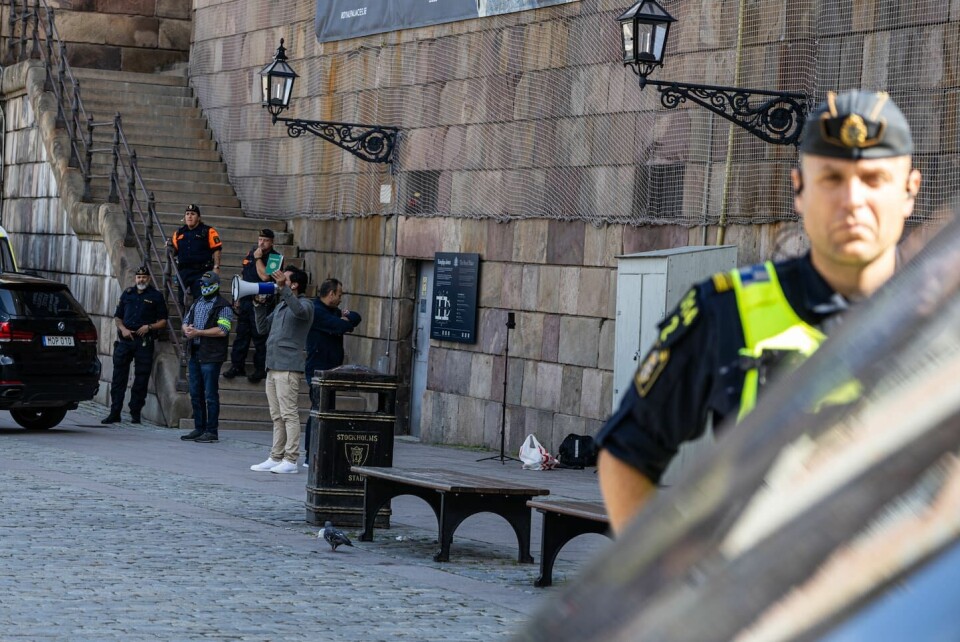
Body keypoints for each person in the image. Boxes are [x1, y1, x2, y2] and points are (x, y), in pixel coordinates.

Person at [596, 90, 922, 535]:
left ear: (909, 191)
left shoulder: (944, 312)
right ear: (799, 191)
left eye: (873, 178)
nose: (852, 199)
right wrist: (660, 587)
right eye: (831, 178)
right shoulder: (726, 311)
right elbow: (626, 452)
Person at [250, 267, 315, 474]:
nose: (278, 281)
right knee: (276, 415)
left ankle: (291, 458)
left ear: (294, 284)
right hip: (273, 365)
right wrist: (258, 305)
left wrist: (283, 289)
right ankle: (276, 456)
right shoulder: (281, 306)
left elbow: (300, 312)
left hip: (288, 367)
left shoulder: (305, 304)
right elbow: (262, 328)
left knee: (289, 414)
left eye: (284, 279)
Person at [303, 278, 362, 465]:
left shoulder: (332, 311)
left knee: (327, 409)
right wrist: (343, 320)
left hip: (332, 368)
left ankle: (323, 450)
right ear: (331, 294)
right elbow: (341, 326)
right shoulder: (316, 310)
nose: (340, 299)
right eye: (339, 295)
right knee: (317, 409)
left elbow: (355, 317)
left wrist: (346, 318)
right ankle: (309, 453)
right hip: (317, 367)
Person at [101, 266, 169, 425]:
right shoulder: (128, 294)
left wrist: (149, 327)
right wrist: (123, 329)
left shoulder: (156, 296)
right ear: (135, 279)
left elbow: (163, 321)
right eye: (139, 277)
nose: (141, 280)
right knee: (118, 378)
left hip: (144, 341)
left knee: (141, 379)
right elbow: (118, 317)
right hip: (125, 340)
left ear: (149, 279)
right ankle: (115, 412)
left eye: (144, 277)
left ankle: (135, 413)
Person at [180, 271, 234, 443]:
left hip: (211, 355)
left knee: (210, 394)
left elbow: (223, 330)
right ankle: (199, 427)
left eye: (206, 284)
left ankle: (212, 431)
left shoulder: (223, 306)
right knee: (196, 393)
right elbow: (186, 321)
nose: (203, 287)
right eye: (202, 284)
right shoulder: (197, 303)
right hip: (195, 353)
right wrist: (186, 329)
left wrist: (199, 332)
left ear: (215, 286)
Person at [223, 228, 281, 383]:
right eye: (260, 239)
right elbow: (243, 274)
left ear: (272, 241)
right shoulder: (251, 253)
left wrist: (258, 259)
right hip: (246, 300)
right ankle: (237, 366)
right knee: (241, 334)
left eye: (265, 240)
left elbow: (265, 276)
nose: (262, 243)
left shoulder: (275, 258)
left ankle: (260, 369)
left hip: (262, 303)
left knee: (260, 337)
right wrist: (237, 296)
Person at [170, 204, 222, 309]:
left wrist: (216, 267)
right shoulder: (179, 233)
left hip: (201, 272)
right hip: (184, 271)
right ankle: (185, 323)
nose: (189, 216)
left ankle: (199, 324)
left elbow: (217, 249)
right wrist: (169, 246)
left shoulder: (208, 231)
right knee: (182, 301)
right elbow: (173, 250)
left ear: (199, 218)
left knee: (201, 300)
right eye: (187, 214)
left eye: (193, 214)